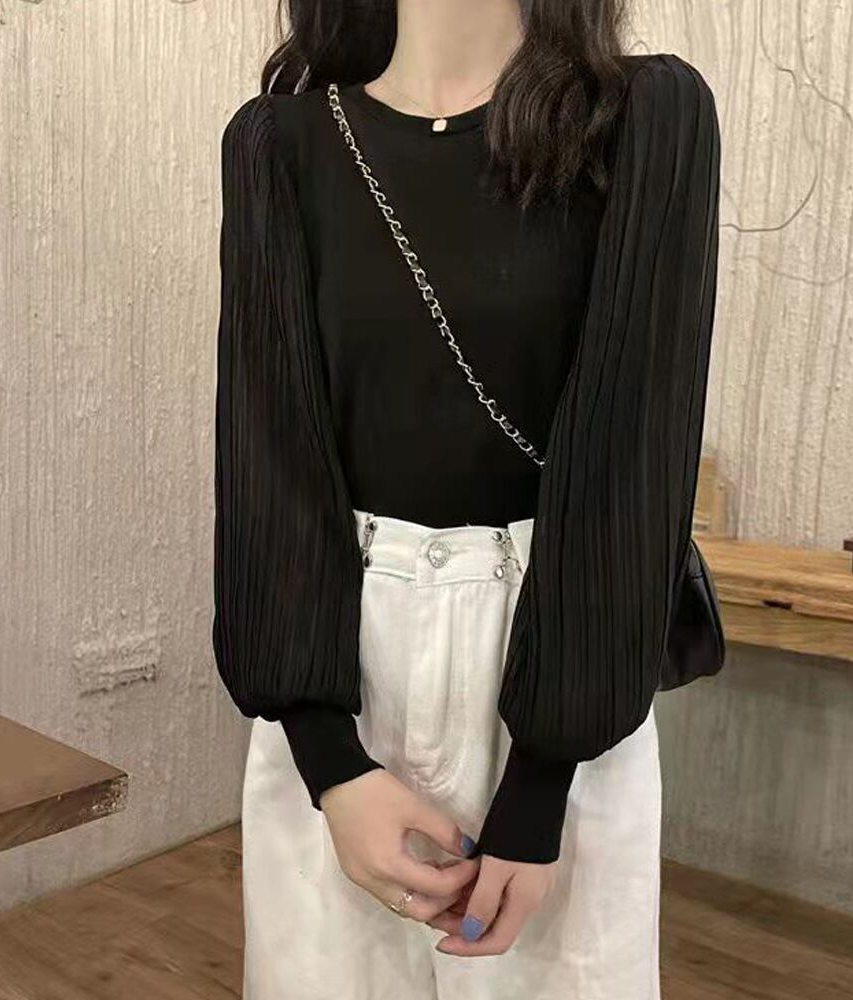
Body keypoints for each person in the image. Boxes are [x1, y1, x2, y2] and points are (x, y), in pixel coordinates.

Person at [211, 0, 722, 997]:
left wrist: (540, 783)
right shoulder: (280, 144)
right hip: (340, 662)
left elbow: (634, 455)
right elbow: (267, 458)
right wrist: (328, 761)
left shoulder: (642, 120)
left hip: (555, 659)